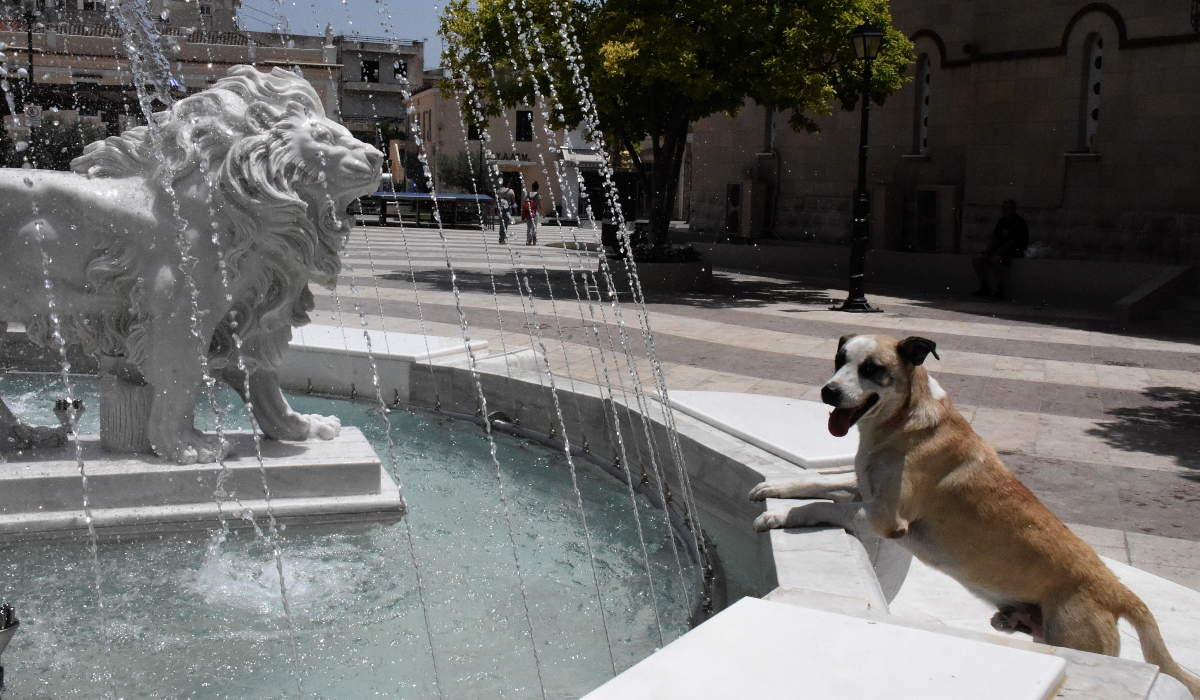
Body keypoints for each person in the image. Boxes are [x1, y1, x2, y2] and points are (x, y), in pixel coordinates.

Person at [972, 199, 1029, 300]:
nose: (1005, 210)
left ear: (1013, 209)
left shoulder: (1019, 222)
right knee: (977, 259)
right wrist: (987, 251)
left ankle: (1000, 289)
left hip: (1014, 250)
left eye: (1007, 208)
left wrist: (995, 253)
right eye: (1003, 207)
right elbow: (995, 238)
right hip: (1000, 249)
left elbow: (1011, 242)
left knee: (996, 260)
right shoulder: (1002, 221)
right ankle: (984, 287)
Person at [522, 181, 542, 245]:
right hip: (535, 213)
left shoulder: (528, 194)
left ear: (532, 187)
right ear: (537, 188)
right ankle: (532, 240)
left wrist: (523, 212)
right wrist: (543, 212)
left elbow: (524, 204)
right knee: (534, 227)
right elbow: (540, 205)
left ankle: (529, 240)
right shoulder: (538, 196)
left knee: (529, 227)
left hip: (528, 212)